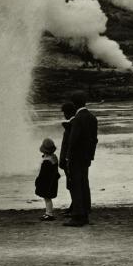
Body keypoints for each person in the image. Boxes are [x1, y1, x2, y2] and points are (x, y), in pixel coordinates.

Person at [63, 91, 97, 227]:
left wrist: (67, 157)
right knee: (84, 184)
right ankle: (85, 213)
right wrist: (90, 156)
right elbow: (94, 140)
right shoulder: (92, 118)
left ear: (74, 104)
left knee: (76, 185)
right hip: (86, 158)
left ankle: (78, 216)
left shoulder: (77, 119)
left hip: (76, 158)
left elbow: (73, 141)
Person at [35, 138, 61, 221]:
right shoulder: (54, 157)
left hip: (47, 182)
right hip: (52, 181)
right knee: (48, 198)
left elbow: (42, 175)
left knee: (47, 198)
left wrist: (37, 181)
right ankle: (48, 213)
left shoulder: (46, 161)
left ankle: (49, 214)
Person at [59, 101, 76, 215]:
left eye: (65, 112)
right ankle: (73, 205)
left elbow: (68, 145)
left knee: (72, 184)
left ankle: (74, 206)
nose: (64, 115)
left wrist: (65, 159)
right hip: (68, 159)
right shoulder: (72, 124)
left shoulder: (73, 124)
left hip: (69, 160)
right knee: (71, 184)